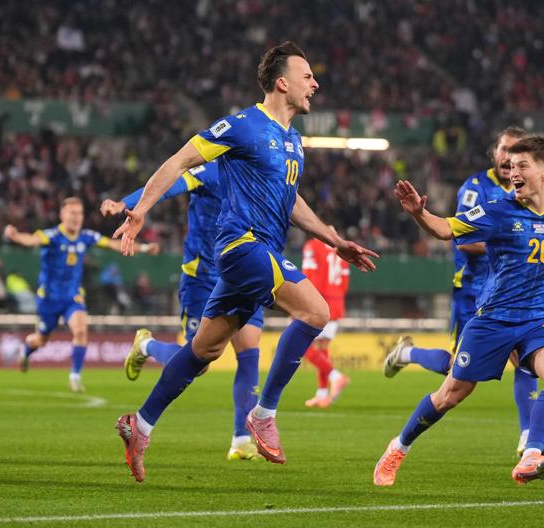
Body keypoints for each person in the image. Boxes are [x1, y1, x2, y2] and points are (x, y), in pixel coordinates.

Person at [111, 41, 378, 482]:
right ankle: (263, 413)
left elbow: (291, 201)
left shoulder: (293, 141)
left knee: (204, 350)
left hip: (259, 254)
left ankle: (139, 424)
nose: (316, 83)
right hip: (243, 246)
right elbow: (180, 160)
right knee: (315, 311)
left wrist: (333, 239)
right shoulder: (242, 125)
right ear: (281, 82)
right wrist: (141, 208)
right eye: (307, 75)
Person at [374, 136, 544, 487]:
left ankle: (531, 454)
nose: (513, 172)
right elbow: (444, 229)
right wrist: (418, 214)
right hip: (495, 320)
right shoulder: (498, 211)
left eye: (522, 166)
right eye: (511, 166)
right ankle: (398, 447)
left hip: (541, 319)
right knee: (451, 393)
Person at [101, 160, 263, 461]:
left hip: (243, 272)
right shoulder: (210, 168)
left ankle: (241, 438)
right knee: (200, 363)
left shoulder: (257, 172)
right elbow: (168, 183)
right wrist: (127, 203)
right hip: (203, 277)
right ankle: (146, 345)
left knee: (249, 348)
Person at [3, 197, 158, 392]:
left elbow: (112, 244)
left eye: (79, 213)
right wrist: (16, 236)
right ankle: (26, 350)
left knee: (81, 329)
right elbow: (31, 240)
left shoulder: (86, 237)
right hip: (49, 299)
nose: (76, 217)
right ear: (62, 215)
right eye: (72, 213)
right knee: (40, 340)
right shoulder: (51, 236)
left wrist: (144, 247)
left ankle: (75, 376)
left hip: (72, 297)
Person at [301, 236, 350, 407]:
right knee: (322, 348)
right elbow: (344, 282)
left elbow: (308, 275)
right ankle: (322, 394)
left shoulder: (312, 245)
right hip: (336, 304)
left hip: (319, 303)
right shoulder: (342, 247)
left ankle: (336, 377)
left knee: (303, 347)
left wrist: (303, 303)